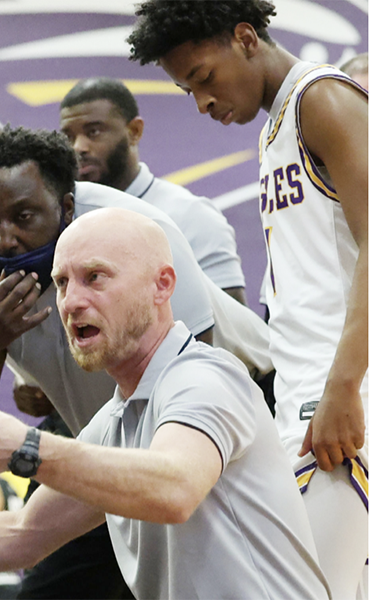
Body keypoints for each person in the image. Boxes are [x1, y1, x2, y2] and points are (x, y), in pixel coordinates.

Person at [0, 207, 331, 600]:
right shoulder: (116, 416)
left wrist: (28, 449)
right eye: (61, 283)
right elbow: (22, 533)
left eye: (95, 277)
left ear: (162, 285)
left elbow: (174, 489)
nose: (70, 300)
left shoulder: (204, 375)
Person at [0, 124, 276, 599]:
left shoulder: (140, 234)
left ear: (66, 208)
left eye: (24, 216)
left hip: (220, 428)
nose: (4, 240)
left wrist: (31, 447)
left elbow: (190, 386)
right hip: (103, 430)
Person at [128, 3, 367, 598]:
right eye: (187, 91)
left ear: (244, 38)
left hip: (344, 394)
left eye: (204, 79)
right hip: (308, 387)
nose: (202, 103)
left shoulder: (324, 100)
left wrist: (342, 386)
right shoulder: (275, 127)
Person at [59, 76, 246, 303]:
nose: (79, 147)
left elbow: (229, 330)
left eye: (94, 132)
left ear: (134, 131)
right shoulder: (64, 221)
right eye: (68, 137)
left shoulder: (191, 215)